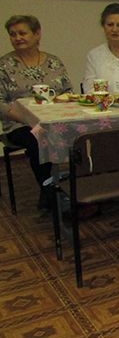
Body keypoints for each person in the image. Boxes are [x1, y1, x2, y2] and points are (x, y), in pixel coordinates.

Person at [0, 15, 72, 210]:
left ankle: (79, 188)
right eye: (13, 34)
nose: (17, 38)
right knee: (38, 137)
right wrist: (28, 118)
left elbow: (68, 92)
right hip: (19, 124)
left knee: (81, 133)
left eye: (22, 33)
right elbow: (0, 103)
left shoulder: (54, 62)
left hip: (54, 120)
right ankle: (50, 191)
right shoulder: (4, 66)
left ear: (37, 34)